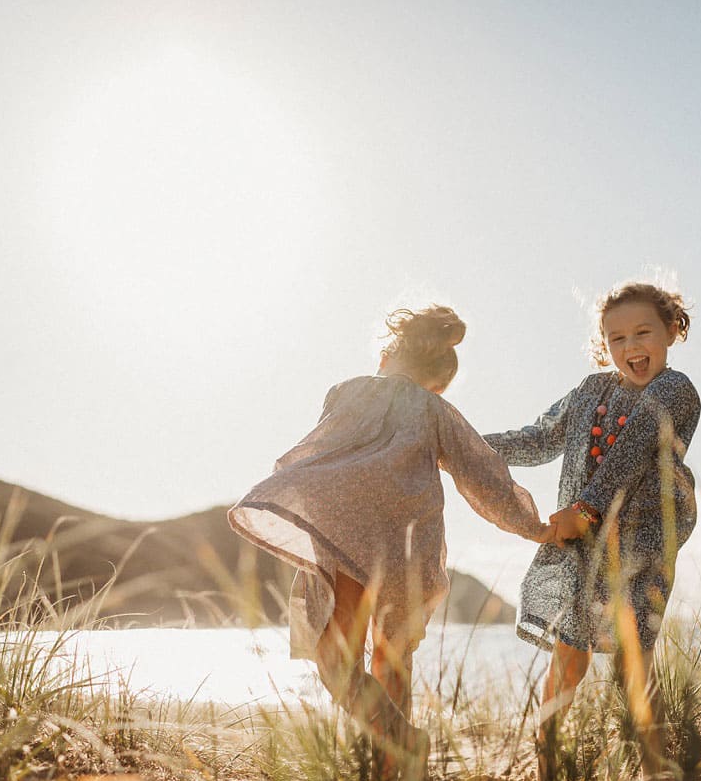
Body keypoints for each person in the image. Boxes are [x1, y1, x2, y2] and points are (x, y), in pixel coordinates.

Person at [227, 304, 547, 752]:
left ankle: (400, 742)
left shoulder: (345, 391)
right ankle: (393, 776)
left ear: (383, 359)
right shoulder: (437, 409)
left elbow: (317, 454)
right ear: (438, 383)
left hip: (347, 539)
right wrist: (536, 528)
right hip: (407, 545)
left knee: (337, 663)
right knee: (392, 657)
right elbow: (485, 477)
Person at [486, 281, 700, 723]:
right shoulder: (591, 390)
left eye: (643, 333)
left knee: (634, 662)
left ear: (671, 331)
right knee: (568, 660)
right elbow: (540, 437)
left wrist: (585, 510)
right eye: (616, 338)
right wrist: (467, 448)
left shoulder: (675, 389)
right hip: (584, 547)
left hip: (643, 544)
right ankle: (546, 755)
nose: (631, 347)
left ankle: (657, 775)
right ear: (603, 345)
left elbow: (633, 450)